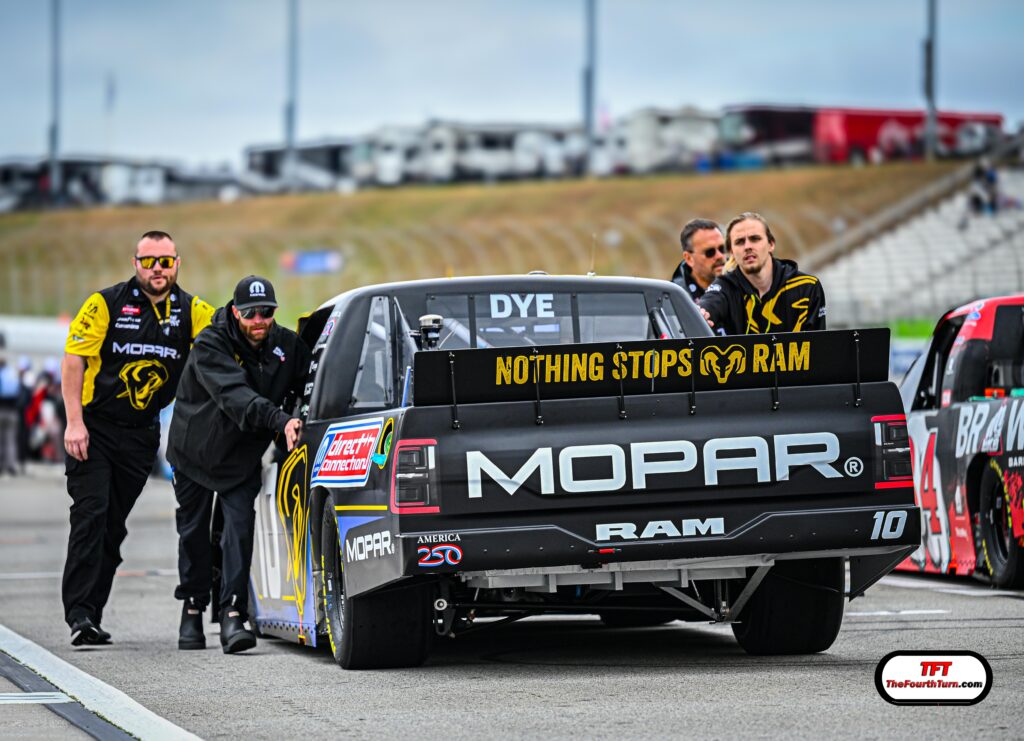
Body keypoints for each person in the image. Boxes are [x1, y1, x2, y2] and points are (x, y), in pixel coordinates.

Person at [61, 231, 214, 646]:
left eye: (165, 261)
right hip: (94, 429)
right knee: (91, 515)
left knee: (113, 526)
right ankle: (79, 614)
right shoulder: (105, 303)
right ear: (136, 264)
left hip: (142, 434)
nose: (157, 269)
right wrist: (74, 423)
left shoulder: (192, 310)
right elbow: (74, 359)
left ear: (177, 263)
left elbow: (225, 341)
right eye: (149, 261)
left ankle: (92, 613)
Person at [167, 276, 310, 654]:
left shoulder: (286, 346)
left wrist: (296, 420)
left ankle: (233, 612)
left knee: (239, 530)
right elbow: (236, 396)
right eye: (250, 313)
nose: (259, 320)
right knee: (194, 533)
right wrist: (278, 420)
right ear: (235, 312)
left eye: (266, 312)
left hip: (241, 457)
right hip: (194, 452)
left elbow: (307, 385)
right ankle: (193, 606)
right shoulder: (210, 343)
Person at [699, 212, 826, 335]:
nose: (747, 246)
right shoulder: (725, 287)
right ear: (731, 252)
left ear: (771, 244)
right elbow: (709, 303)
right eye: (740, 242)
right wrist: (702, 313)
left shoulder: (807, 287)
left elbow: (819, 344)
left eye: (755, 239)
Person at [671, 218, 727, 302]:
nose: (719, 256)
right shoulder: (674, 300)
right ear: (689, 258)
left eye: (722, 248)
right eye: (710, 252)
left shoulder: (741, 282)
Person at [0, 355, 20, 475]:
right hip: (13, 411)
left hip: (1, 409)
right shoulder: (12, 374)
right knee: (11, 439)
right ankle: (11, 465)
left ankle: (1, 465)